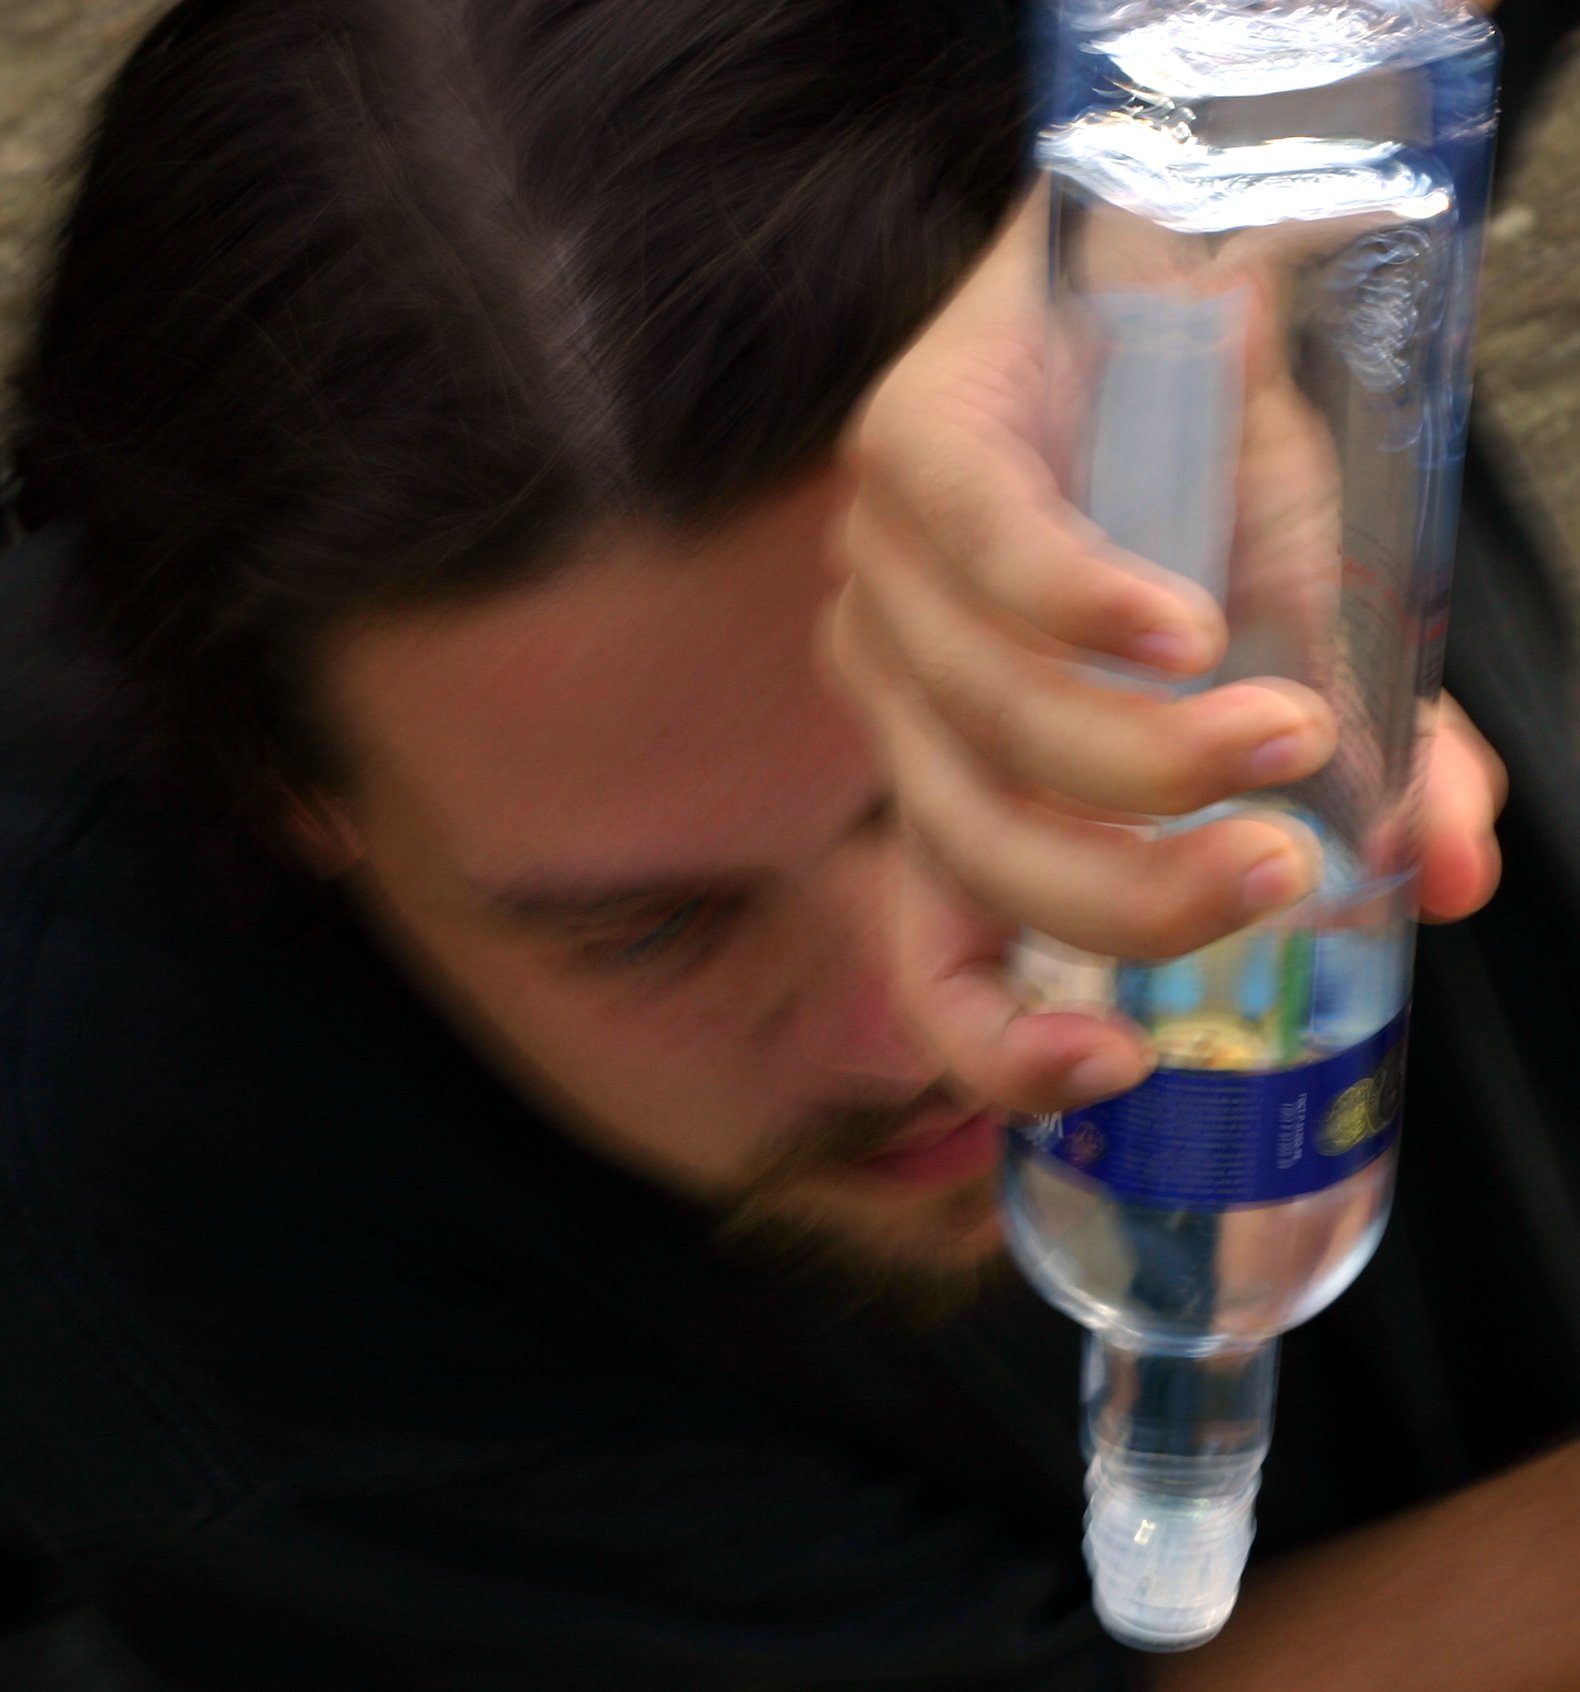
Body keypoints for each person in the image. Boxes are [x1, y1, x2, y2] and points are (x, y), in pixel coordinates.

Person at [0, 0, 1571, 1688]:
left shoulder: (1210, 291)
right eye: (659, 930)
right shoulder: (116, 1162)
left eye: (991, 754)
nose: (928, 1029)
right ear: (295, 802)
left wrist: (1237, 143)